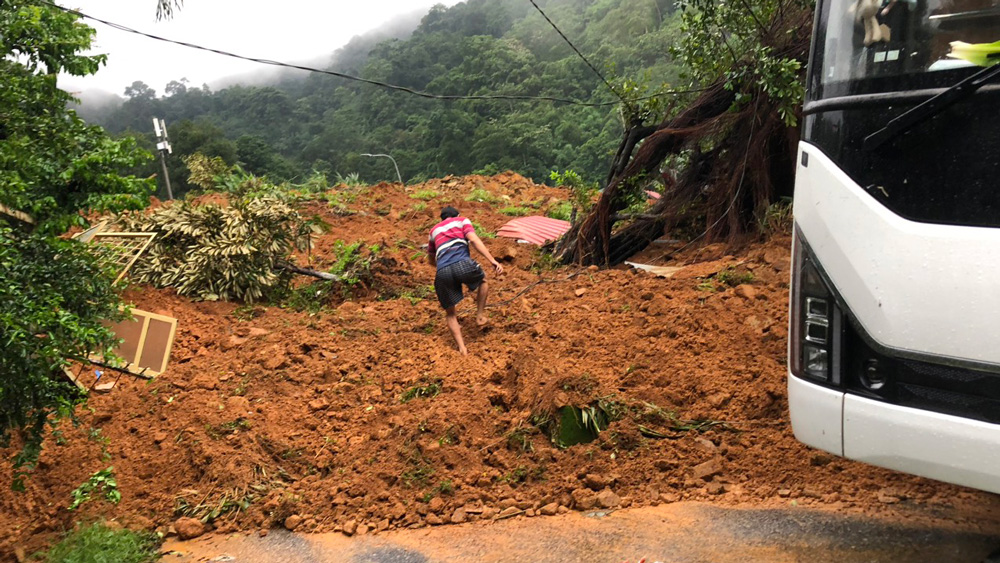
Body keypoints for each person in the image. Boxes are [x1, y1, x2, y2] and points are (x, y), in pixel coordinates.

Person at [427, 206, 503, 355]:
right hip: (463, 264)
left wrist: (444, 265)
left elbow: (430, 259)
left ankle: (462, 348)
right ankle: (480, 315)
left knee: (450, 313)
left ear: (441, 219)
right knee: (483, 281)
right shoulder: (462, 221)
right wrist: (492, 260)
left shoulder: (433, 231)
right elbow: (474, 240)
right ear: (457, 215)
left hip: (442, 272)